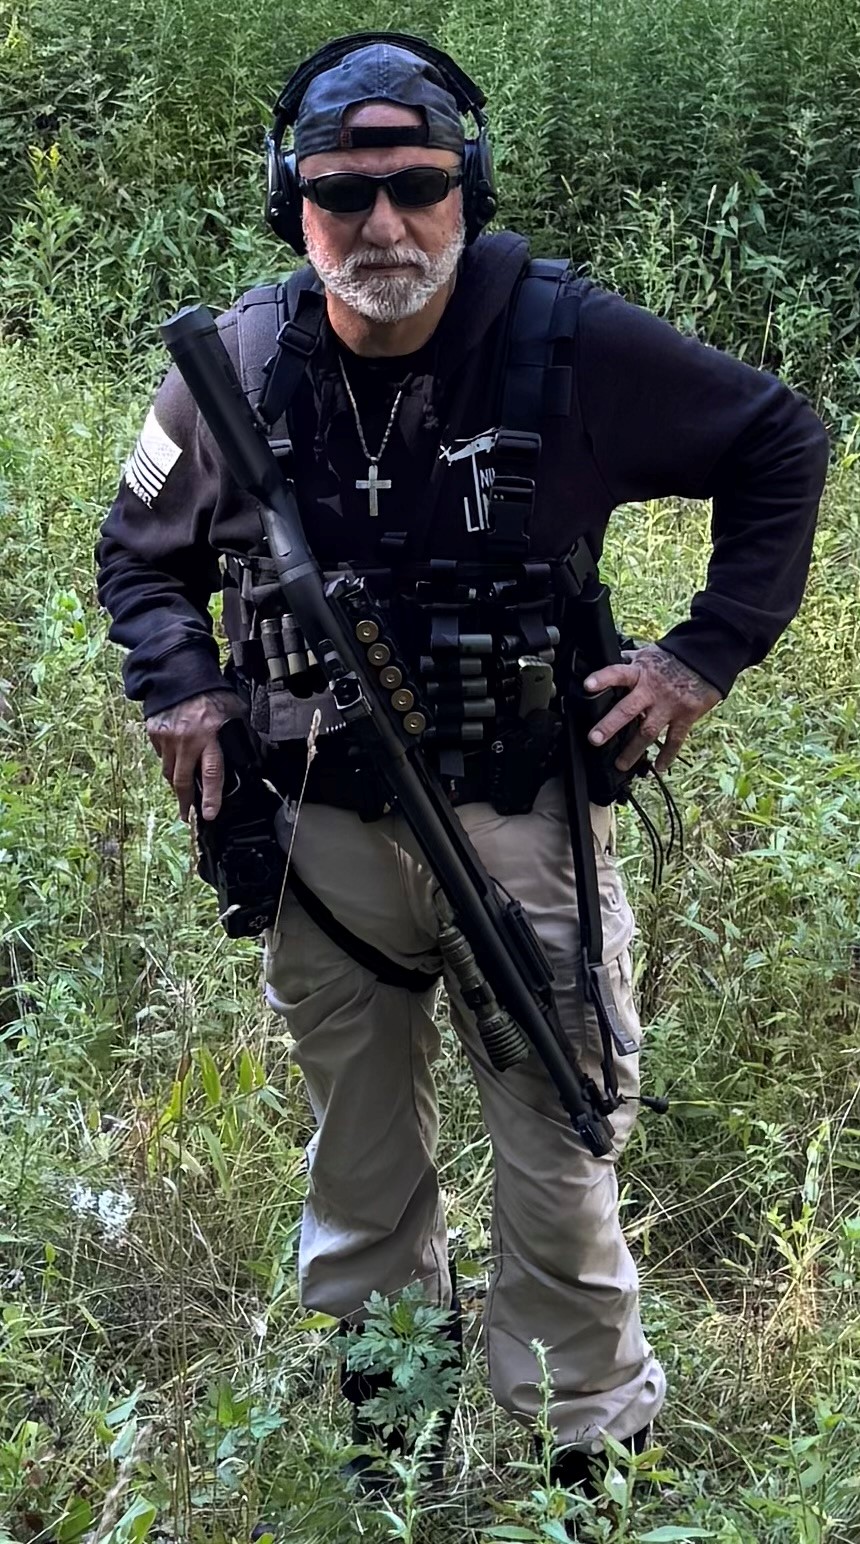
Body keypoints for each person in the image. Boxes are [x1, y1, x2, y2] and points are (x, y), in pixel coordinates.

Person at [97, 32, 829, 1501]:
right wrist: (182, 690)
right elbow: (139, 552)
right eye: (340, 194)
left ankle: (586, 1468)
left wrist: (699, 658)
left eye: (419, 187)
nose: (382, 226)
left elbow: (781, 437)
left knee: (561, 1149)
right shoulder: (233, 364)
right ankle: (388, 1465)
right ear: (288, 204)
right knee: (357, 1169)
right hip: (314, 841)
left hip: (520, 824)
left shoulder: (564, 340)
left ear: (466, 188)